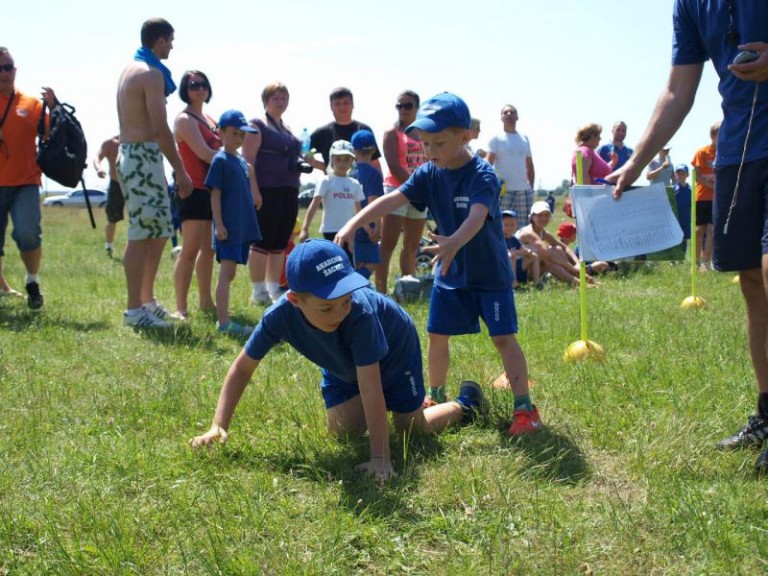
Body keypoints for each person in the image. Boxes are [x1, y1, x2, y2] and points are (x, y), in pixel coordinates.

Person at [608, 1, 768, 473]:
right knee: (752, 286)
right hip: (738, 151)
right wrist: (636, 162)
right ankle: (766, 412)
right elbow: (679, 90)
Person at [189, 239, 488, 482]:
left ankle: (466, 404)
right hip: (345, 365)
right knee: (344, 432)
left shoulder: (360, 314)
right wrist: (218, 425)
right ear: (295, 300)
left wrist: (381, 459)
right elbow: (242, 368)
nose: (340, 312)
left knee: (410, 430)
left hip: (395, 350)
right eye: (327, 307)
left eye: (344, 300)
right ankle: (404, 404)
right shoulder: (277, 318)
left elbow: (371, 387)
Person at [336, 92, 542, 434]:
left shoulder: (483, 175)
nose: (430, 151)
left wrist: (453, 243)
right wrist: (352, 223)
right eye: (426, 143)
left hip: (488, 274)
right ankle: (435, 396)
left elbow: (477, 216)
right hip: (451, 273)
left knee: (503, 338)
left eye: (439, 143)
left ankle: (524, 409)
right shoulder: (429, 173)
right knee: (436, 334)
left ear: (465, 137)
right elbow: (393, 199)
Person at [116, 18, 193, 328]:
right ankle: (134, 310)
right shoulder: (150, 74)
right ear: (160, 41)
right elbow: (160, 129)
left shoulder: (132, 69)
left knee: (159, 230)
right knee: (140, 235)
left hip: (139, 157)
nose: (172, 46)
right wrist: (181, 171)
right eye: (170, 41)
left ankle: (146, 301)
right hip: (143, 156)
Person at [0, 47, 57, 309]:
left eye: (8, 67)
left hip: (25, 181)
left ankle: (32, 281)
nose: (4, 73)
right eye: (0, 68)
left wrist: (55, 110)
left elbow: (53, 135)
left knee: (28, 233)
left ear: (15, 69)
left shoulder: (31, 104)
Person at [242, 82, 299, 306]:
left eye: (284, 97)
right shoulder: (257, 125)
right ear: (265, 100)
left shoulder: (286, 128)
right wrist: (254, 190)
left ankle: (274, 289)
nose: (280, 101)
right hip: (267, 189)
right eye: (275, 97)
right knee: (263, 241)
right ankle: (258, 291)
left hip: (289, 189)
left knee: (281, 241)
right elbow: (248, 159)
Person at [207, 110, 261, 336]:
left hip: (241, 226)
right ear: (221, 132)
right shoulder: (220, 160)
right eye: (234, 133)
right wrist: (219, 224)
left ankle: (224, 316)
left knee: (230, 274)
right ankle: (224, 323)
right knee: (226, 273)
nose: (239, 138)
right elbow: (215, 194)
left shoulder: (240, 161)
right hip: (227, 227)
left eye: (242, 134)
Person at [173, 70, 221, 318]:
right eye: (193, 85)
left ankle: (206, 302)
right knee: (189, 250)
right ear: (185, 89)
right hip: (193, 190)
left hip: (212, 191)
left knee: (209, 250)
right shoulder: (184, 119)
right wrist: (235, 160)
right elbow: (203, 153)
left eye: (203, 84)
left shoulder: (210, 119)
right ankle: (180, 308)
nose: (199, 88)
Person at [378, 90, 428, 294]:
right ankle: (380, 289)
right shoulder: (392, 133)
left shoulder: (424, 133)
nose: (403, 109)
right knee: (388, 242)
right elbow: (394, 166)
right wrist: (415, 187)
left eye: (408, 105)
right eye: (400, 105)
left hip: (420, 193)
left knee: (412, 243)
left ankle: (409, 286)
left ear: (417, 108)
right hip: (396, 190)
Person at [299, 140, 365, 263]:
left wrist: (367, 229)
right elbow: (314, 205)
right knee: (333, 264)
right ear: (331, 159)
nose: (342, 163)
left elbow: (359, 211)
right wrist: (305, 228)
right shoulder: (326, 181)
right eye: (338, 159)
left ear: (352, 161)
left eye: (346, 159)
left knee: (348, 264)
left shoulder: (355, 184)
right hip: (330, 230)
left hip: (349, 231)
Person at [517, 202, 592, 285]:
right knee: (548, 260)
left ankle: (584, 280)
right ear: (531, 217)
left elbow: (564, 247)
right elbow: (548, 254)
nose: (543, 218)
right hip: (518, 272)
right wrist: (572, 268)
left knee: (558, 249)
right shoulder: (528, 233)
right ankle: (580, 283)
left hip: (530, 268)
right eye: (539, 215)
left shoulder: (543, 232)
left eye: (546, 215)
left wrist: (578, 263)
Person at [308, 87, 381, 172]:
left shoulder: (364, 131)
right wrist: (324, 167)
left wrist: (379, 182)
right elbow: (309, 151)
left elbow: (374, 161)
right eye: (337, 104)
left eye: (346, 103)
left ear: (353, 105)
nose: (342, 107)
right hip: (333, 183)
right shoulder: (322, 133)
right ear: (331, 106)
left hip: (361, 183)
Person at [487, 104, 535, 217]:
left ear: (517, 117)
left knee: (523, 226)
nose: (509, 114)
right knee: (502, 226)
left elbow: (530, 165)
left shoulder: (524, 139)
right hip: (504, 191)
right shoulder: (496, 139)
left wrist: (531, 188)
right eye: (505, 112)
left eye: (512, 112)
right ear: (501, 118)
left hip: (523, 191)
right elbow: (488, 164)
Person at [350, 129, 383, 279]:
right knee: (374, 261)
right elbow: (373, 202)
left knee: (355, 261)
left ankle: (356, 284)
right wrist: (375, 228)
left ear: (353, 151)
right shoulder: (374, 173)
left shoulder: (349, 172)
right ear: (374, 150)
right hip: (366, 225)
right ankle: (358, 284)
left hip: (349, 224)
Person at [691, 121, 720, 272]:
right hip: (701, 197)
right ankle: (695, 262)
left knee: (712, 229)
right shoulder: (702, 152)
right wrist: (714, 187)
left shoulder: (726, 152)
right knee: (698, 230)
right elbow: (698, 177)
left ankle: (706, 262)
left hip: (717, 199)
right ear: (712, 135)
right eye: (719, 135)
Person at [93, 134, 123, 258]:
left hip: (135, 184)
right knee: (112, 217)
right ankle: (109, 245)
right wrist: (99, 169)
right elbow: (97, 157)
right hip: (116, 183)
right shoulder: (111, 143)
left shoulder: (137, 140)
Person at [502, 209, 541, 290]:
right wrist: (517, 252)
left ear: (516, 226)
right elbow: (503, 253)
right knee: (511, 256)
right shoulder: (499, 239)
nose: (509, 227)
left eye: (512, 225)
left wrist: (527, 252)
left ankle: (536, 282)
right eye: (506, 225)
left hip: (518, 266)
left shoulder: (514, 239)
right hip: (505, 269)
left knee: (534, 256)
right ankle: (514, 283)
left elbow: (522, 250)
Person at [673, 164, 692, 253]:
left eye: (683, 173)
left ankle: (682, 258)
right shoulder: (673, 190)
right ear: (676, 175)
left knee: (684, 238)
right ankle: (672, 260)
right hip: (675, 218)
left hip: (686, 218)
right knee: (674, 238)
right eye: (678, 173)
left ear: (687, 175)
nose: (681, 176)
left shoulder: (691, 190)